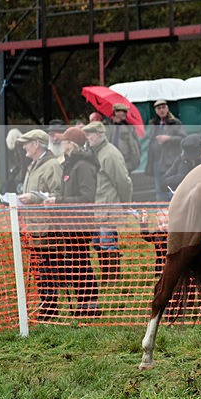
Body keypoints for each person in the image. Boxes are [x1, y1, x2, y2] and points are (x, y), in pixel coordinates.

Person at [45, 126, 101, 317]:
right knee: (77, 263)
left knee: (81, 263)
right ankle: (83, 303)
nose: (61, 144)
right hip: (70, 224)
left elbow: (87, 198)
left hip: (80, 224)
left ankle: (90, 304)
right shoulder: (70, 164)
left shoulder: (83, 166)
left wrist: (59, 201)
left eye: (64, 141)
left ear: (71, 144)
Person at [15, 129, 63, 319]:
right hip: (35, 227)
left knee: (47, 271)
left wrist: (32, 198)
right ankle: (46, 308)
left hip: (46, 228)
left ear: (36, 144)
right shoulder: (34, 165)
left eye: (26, 143)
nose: (24, 146)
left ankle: (50, 311)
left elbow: (57, 195)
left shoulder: (51, 165)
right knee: (41, 271)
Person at [83, 121, 132, 283]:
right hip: (98, 208)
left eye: (89, 134)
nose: (87, 137)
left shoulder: (110, 154)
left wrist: (125, 204)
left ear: (98, 134)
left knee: (108, 243)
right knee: (99, 243)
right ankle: (107, 277)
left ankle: (112, 279)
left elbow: (123, 182)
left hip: (108, 208)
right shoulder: (94, 152)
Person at [145, 100, 186, 201]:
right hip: (156, 162)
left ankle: (172, 211)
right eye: (159, 108)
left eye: (163, 107)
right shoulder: (153, 124)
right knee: (159, 190)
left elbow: (183, 138)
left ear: (167, 108)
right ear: (156, 111)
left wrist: (168, 138)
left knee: (171, 189)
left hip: (170, 162)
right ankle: (161, 213)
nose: (162, 110)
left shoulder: (175, 122)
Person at [108, 102, 141, 173]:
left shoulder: (129, 128)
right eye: (123, 111)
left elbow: (135, 146)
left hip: (125, 163)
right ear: (116, 112)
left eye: (126, 111)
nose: (125, 113)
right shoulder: (107, 126)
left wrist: (131, 165)